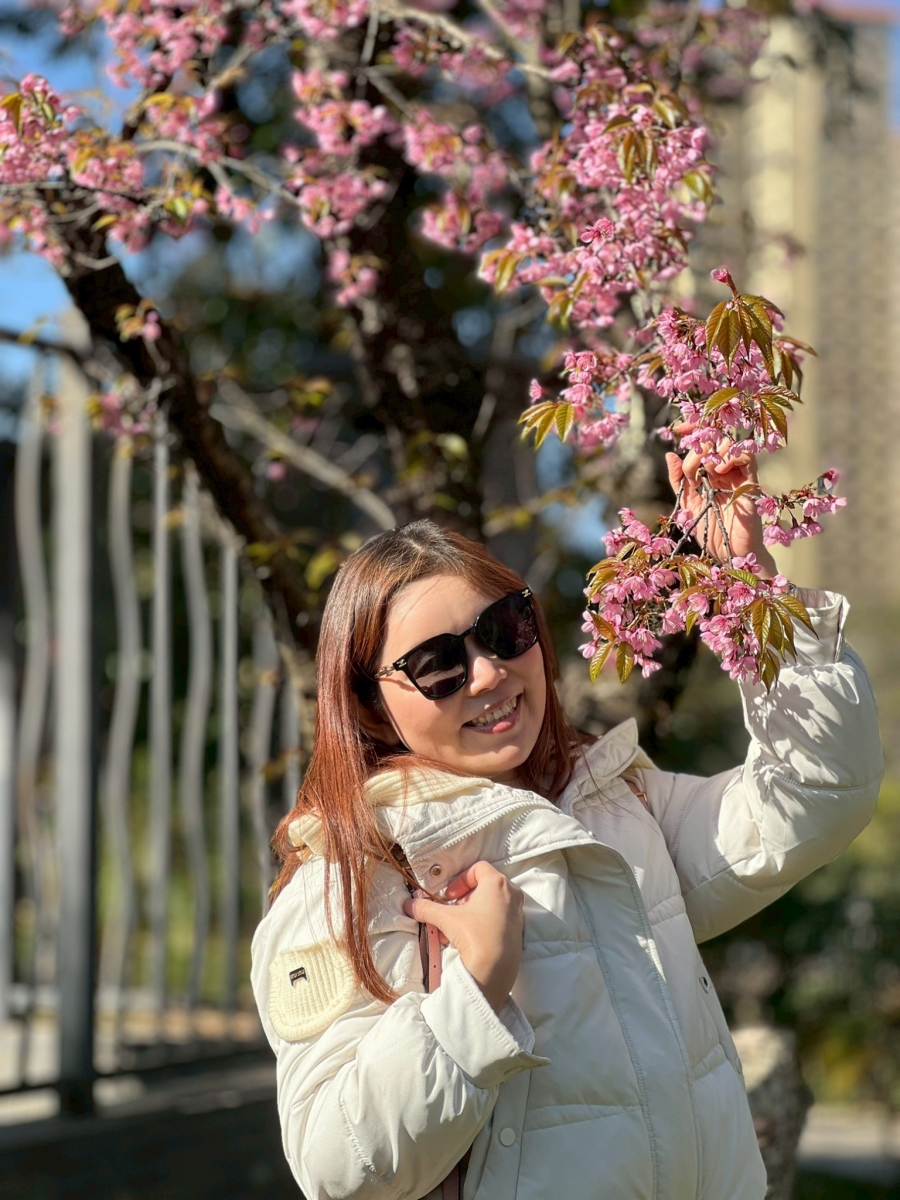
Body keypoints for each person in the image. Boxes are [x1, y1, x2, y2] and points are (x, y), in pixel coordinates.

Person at [251, 444, 882, 1200]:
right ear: (369, 706)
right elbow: (336, 1166)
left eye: (505, 628)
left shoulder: (616, 807)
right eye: (438, 665)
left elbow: (818, 793)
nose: (490, 673)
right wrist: (476, 990)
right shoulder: (351, 877)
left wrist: (752, 589)